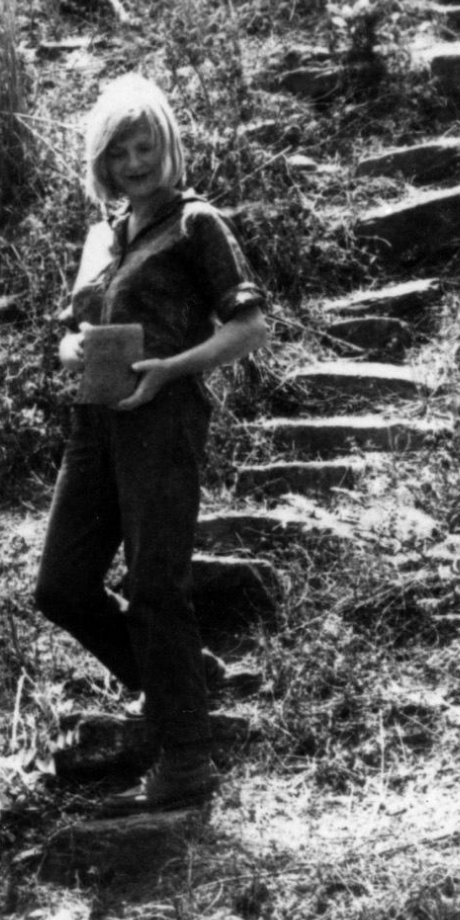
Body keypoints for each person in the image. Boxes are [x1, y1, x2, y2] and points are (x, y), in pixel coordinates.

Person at [34, 75, 268, 814]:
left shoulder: (198, 223)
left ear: (165, 147)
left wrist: (173, 367)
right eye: (118, 150)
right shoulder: (101, 236)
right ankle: (179, 681)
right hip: (95, 421)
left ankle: (188, 759)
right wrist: (73, 350)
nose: (134, 161)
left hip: (163, 418)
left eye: (144, 146)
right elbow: (74, 329)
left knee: (154, 586)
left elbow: (250, 326)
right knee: (62, 586)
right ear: (101, 162)